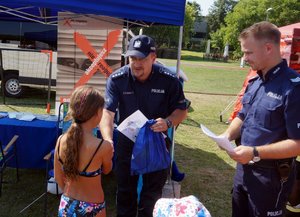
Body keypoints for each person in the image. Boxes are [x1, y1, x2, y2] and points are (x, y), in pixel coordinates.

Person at [100, 34, 187, 217]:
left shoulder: (169, 80)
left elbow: (181, 110)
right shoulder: (117, 79)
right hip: (127, 144)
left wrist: (168, 122)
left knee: (152, 197)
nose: (137, 64)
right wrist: (108, 140)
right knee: (125, 194)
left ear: (153, 57)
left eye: (142, 59)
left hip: (156, 143)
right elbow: (107, 113)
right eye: (133, 58)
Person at [222, 21, 300, 217]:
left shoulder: (293, 88)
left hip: (271, 178)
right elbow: (243, 115)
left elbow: (298, 144)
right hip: (243, 172)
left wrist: (255, 152)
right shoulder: (255, 82)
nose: (244, 57)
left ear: (268, 48)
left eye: (248, 53)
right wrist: (226, 135)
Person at [54, 85, 113, 217]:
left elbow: (58, 178)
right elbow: (107, 170)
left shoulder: (61, 140)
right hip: (93, 205)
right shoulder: (103, 147)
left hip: (67, 203)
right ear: (97, 113)